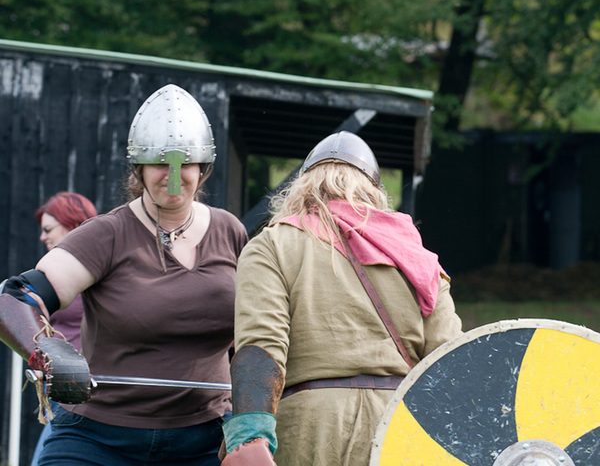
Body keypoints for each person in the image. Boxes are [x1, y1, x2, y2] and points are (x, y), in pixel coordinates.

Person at [0, 84, 248, 466]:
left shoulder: (230, 231)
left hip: (206, 438)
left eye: (186, 163)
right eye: (161, 163)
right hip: (98, 437)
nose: (174, 174)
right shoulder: (108, 234)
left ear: (203, 168)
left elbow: (259, 325)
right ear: (139, 167)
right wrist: (45, 351)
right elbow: (17, 296)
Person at [220, 131, 463, 466]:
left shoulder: (272, 245)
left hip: (309, 431)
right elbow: (451, 361)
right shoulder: (420, 259)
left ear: (301, 187)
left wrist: (249, 438)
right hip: (400, 432)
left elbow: (262, 347)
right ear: (374, 192)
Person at [30, 192, 97, 466]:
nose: (43, 237)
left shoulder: (96, 270)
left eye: (48, 230)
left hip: (85, 390)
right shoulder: (51, 272)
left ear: (72, 225)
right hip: (58, 390)